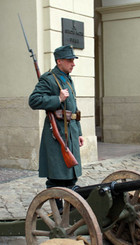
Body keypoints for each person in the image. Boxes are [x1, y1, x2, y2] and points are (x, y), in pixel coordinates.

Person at [28, 45, 84, 210]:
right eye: (69, 60)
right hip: (57, 133)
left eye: (73, 60)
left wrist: (79, 133)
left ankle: (70, 207)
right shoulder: (49, 79)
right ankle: (58, 209)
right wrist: (57, 99)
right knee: (57, 175)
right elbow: (34, 100)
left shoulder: (66, 78)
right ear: (59, 61)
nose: (73, 63)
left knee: (70, 175)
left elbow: (74, 109)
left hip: (71, 131)